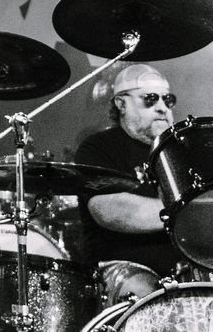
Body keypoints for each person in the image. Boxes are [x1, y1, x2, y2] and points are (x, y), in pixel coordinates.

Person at [72, 64, 183, 303]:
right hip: (122, 266)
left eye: (168, 100)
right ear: (121, 104)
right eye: (150, 99)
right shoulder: (99, 147)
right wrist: (188, 209)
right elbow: (109, 211)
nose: (162, 107)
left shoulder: (181, 150)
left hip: (187, 266)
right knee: (147, 296)